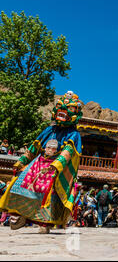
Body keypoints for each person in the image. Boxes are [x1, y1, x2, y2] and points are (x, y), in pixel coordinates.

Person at [0, 91, 83, 234]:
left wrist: (56, 166)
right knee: (19, 184)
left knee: (49, 193)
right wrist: (22, 160)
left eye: (69, 109)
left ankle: (45, 223)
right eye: (60, 107)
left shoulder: (74, 134)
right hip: (39, 163)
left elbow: (68, 152)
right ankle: (20, 214)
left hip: (56, 168)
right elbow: (34, 147)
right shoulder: (49, 130)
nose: (62, 111)